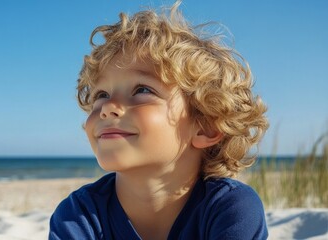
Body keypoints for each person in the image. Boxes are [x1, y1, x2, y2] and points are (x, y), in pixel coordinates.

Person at [49, 1, 269, 239]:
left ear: (205, 126)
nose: (108, 108)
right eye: (101, 95)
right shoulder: (77, 215)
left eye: (142, 90)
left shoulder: (231, 208)